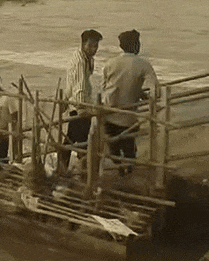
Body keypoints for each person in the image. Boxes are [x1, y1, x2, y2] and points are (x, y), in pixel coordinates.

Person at [102, 30, 158, 173]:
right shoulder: (143, 65)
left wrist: (138, 91)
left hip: (109, 114)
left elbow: (108, 87)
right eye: (138, 43)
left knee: (114, 148)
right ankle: (128, 173)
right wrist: (148, 98)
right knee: (129, 151)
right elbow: (156, 91)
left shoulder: (110, 63)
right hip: (128, 119)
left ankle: (119, 169)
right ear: (135, 45)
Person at [58, 29, 103, 173]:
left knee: (72, 138)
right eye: (90, 46)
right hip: (78, 105)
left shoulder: (88, 59)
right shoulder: (79, 61)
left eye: (96, 46)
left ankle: (64, 166)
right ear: (83, 44)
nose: (94, 49)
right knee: (81, 140)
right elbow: (79, 85)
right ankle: (83, 170)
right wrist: (82, 108)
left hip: (76, 103)